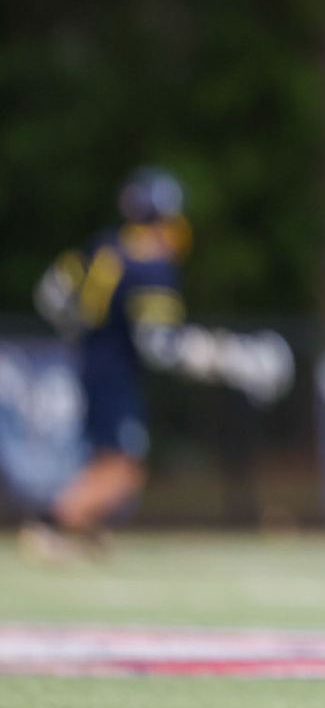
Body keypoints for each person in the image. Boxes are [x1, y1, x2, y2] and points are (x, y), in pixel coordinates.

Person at [22, 167, 293, 562]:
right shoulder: (150, 266)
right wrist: (227, 357)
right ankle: (50, 524)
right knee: (123, 469)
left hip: (92, 361)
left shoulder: (105, 246)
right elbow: (160, 346)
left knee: (106, 456)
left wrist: (86, 330)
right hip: (115, 370)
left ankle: (83, 527)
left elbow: (51, 294)